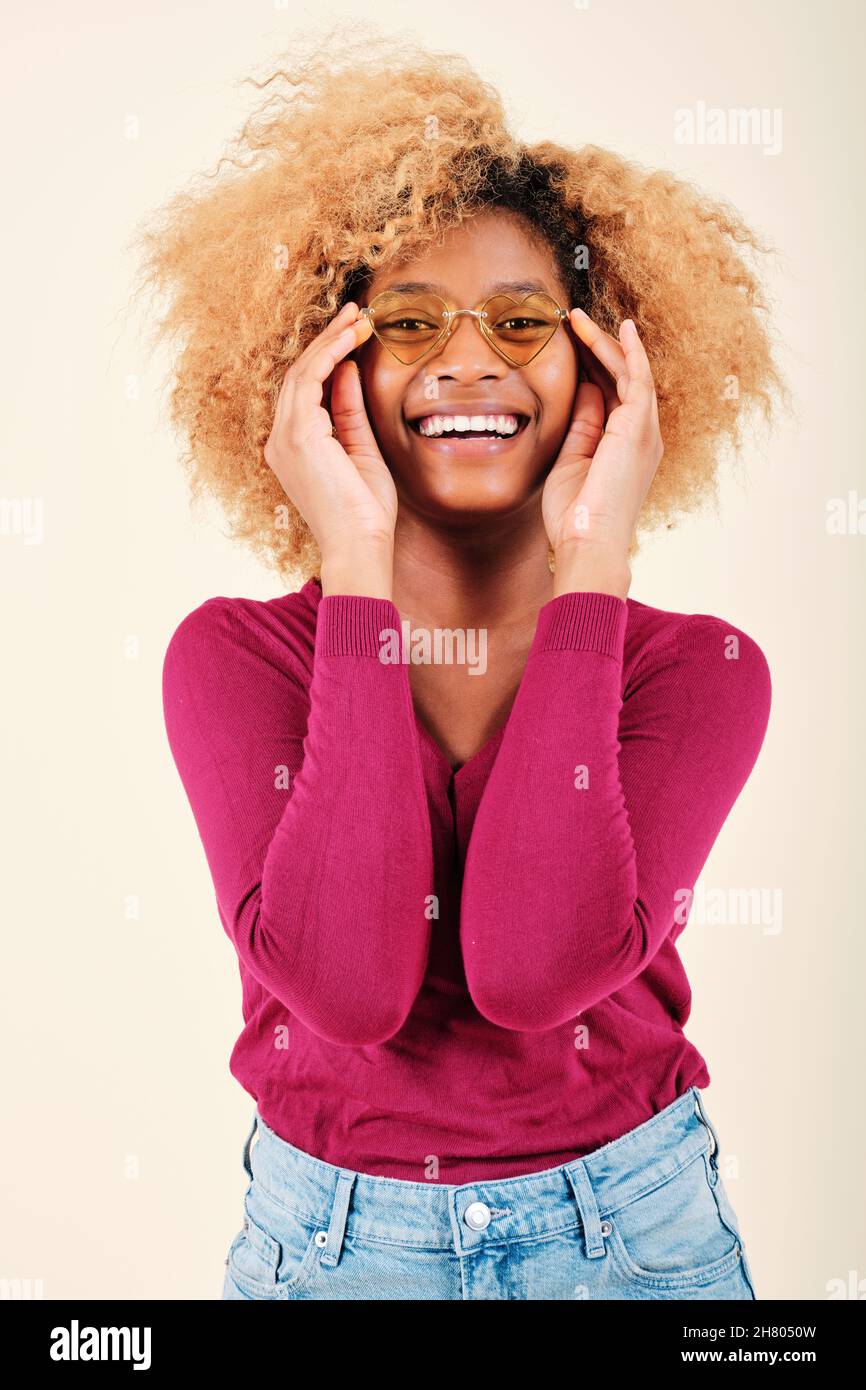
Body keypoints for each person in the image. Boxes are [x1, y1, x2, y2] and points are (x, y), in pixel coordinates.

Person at [142, 27, 785, 1300]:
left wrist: (593, 560)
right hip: (327, 1244)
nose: (469, 357)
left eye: (521, 320)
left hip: (633, 1235)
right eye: (409, 321)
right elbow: (348, 985)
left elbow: (530, 970)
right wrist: (358, 562)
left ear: (605, 363)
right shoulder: (231, 659)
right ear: (324, 368)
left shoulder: (697, 672)